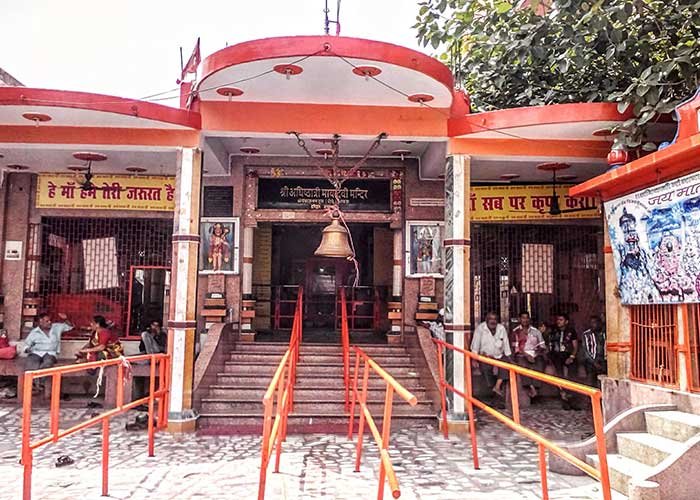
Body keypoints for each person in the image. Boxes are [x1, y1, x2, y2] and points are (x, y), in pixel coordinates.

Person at [24, 312, 73, 392]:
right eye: (47, 321)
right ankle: (34, 385)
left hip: (50, 353)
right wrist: (27, 349)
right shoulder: (34, 332)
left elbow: (70, 327)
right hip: (36, 352)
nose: (50, 322)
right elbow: (27, 344)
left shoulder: (56, 327)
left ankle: (39, 384)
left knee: (47, 363)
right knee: (31, 363)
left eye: (50, 320)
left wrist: (65, 319)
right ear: (40, 322)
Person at [470, 311, 511, 397]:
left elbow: (506, 345)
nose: (493, 321)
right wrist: (474, 359)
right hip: (485, 356)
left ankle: (497, 386)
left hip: (499, 356)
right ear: (486, 320)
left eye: (495, 319)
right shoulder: (480, 329)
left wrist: (509, 357)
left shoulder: (501, 329)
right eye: (491, 319)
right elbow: (475, 346)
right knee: (486, 369)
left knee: (506, 364)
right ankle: (492, 390)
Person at [510, 312, 547, 398]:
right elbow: (516, 349)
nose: (525, 320)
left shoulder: (536, 331)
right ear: (519, 319)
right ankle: (531, 387)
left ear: (529, 319)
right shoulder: (515, 332)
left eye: (527, 318)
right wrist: (527, 355)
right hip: (521, 354)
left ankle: (535, 387)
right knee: (523, 366)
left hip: (535, 354)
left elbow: (542, 346)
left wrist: (536, 354)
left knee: (539, 364)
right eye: (523, 318)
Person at [548, 313, 579, 409]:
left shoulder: (571, 331)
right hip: (556, 355)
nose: (558, 321)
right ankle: (563, 395)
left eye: (561, 320)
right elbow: (549, 344)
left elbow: (575, 346)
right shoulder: (553, 330)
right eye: (558, 319)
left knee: (573, 369)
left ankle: (571, 394)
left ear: (566, 322)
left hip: (567, 354)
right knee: (559, 371)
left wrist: (572, 357)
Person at [581, 316, 606, 388]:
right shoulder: (586, 334)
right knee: (591, 381)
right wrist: (594, 362)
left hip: (602, 360)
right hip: (590, 362)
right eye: (591, 322)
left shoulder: (604, 333)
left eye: (595, 322)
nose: (593, 324)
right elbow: (586, 350)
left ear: (599, 323)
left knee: (601, 382)